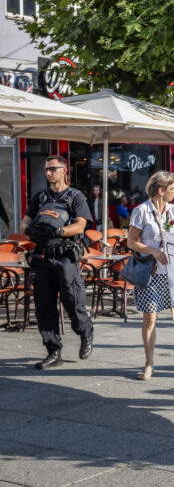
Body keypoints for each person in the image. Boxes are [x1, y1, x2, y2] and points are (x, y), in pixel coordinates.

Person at [126, 171, 174, 380]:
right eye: (172, 189)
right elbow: (131, 241)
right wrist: (153, 250)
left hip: (172, 271)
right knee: (150, 316)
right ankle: (149, 363)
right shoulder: (141, 211)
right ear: (160, 191)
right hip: (150, 271)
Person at [22, 155, 95, 370]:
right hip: (42, 256)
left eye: (53, 169)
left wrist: (59, 231)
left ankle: (86, 331)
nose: (49, 173)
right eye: (46, 169)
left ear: (64, 171)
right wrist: (28, 229)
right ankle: (54, 351)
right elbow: (25, 219)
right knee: (44, 306)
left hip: (65, 258)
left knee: (72, 301)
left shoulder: (75, 197)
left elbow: (81, 226)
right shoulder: (41, 197)